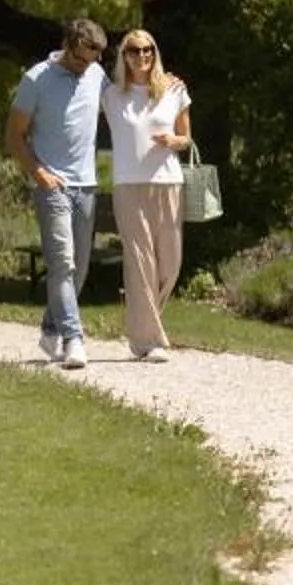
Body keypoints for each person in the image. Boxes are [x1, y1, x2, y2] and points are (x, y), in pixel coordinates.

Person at [6, 17, 108, 368]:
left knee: (78, 268)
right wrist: (38, 173)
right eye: (80, 59)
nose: (85, 67)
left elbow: (130, 100)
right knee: (61, 262)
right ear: (67, 46)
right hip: (52, 185)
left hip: (86, 185)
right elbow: (14, 136)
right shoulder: (36, 79)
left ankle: (51, 326)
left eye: (92, 60)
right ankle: (74, 337)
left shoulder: (96, 75)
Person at [104, 30, 193, 362]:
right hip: (129, 185)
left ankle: (142, 329)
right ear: (123, 56)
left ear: (155, 53)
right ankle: (148, 340)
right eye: (134, 51)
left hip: (168, 182)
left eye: (147, 50)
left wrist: (173, 141)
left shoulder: (174, 91)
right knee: (140, 262)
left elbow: (187, 139)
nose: (141, 56)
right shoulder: (111, 94)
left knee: (170, 263)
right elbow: (78, 79)